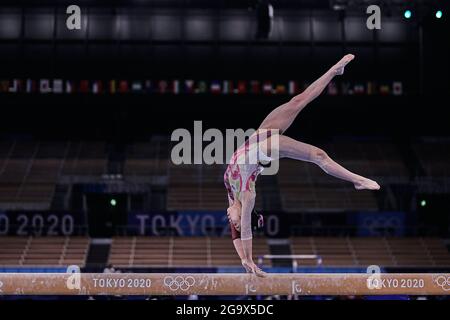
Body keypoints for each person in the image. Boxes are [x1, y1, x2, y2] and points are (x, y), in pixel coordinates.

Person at [223, 54, 380, 277]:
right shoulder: (247, 198)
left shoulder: (231, 194)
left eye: (231, 220)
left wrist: (242, 257)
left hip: (257, 136)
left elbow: (235, 235)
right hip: (263, 149)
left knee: (298, 100)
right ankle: (357, 180)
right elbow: (243, 230)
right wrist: (247, 260)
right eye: (234, 221)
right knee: (318, 155)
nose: (230, 219)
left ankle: (334, 71)